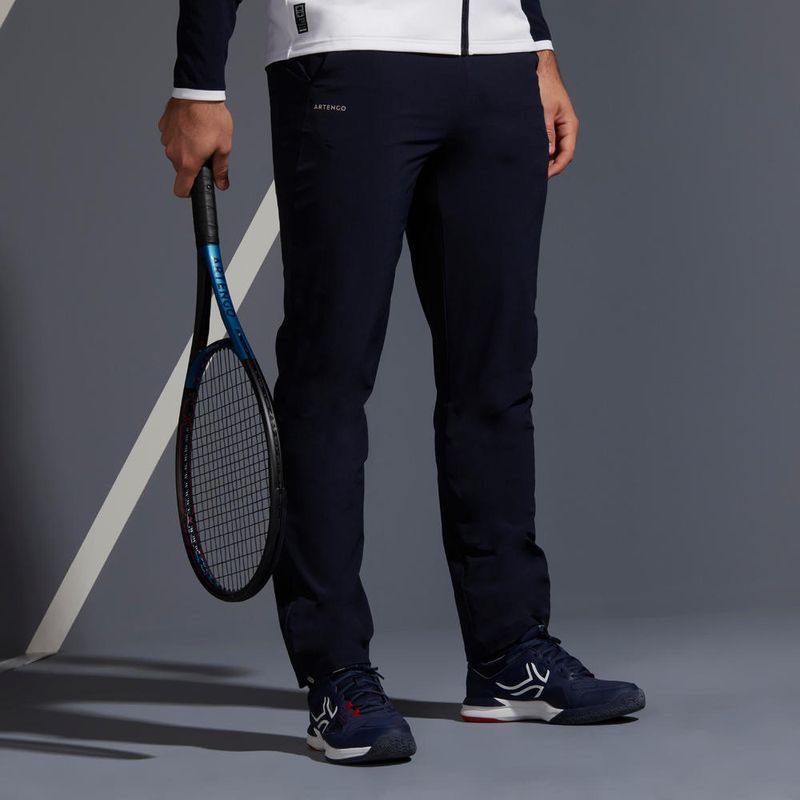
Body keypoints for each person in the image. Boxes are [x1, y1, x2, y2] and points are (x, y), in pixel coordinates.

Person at [159, 0, 645, 765]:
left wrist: (537, 44)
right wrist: (198, 84)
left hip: (498, 67)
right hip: (348, 59)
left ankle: (510, 655)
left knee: (496, 376)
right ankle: (335, 675)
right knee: (329, 378)